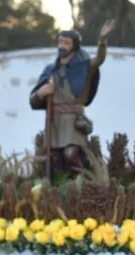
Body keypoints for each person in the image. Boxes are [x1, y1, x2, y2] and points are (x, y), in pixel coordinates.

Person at [29, 20, 115, 178]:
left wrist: (102, 40)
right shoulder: (50, 70)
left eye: (66, 43)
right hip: (54, 121)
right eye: (60, 42)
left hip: (72, 120)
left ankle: (84, 181)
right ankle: (64, 190)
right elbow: (33, 101)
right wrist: (41, 93)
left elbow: (99, 60)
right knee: (55, 160)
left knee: (71, 154)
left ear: (74, 46)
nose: (62, 46)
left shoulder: (83, 67)